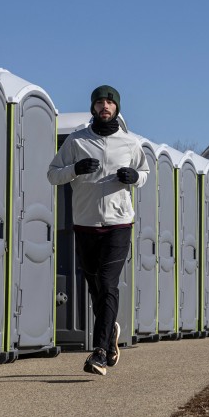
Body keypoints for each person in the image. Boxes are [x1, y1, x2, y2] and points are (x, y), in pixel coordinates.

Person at [48, 85, 149, 376]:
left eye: (110, 102)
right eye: (100, 102)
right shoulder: (77, 141)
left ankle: (100, 352)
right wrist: (75, 169)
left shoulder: (130, 143)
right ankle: (110, 333)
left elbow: (144, 172)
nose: (105, 106)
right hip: (86, 222)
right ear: (93, 108)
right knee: (96, 289)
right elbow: (53, 174)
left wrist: (134, 177)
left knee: (107, 283)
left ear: (117, 108)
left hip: (119, 223)